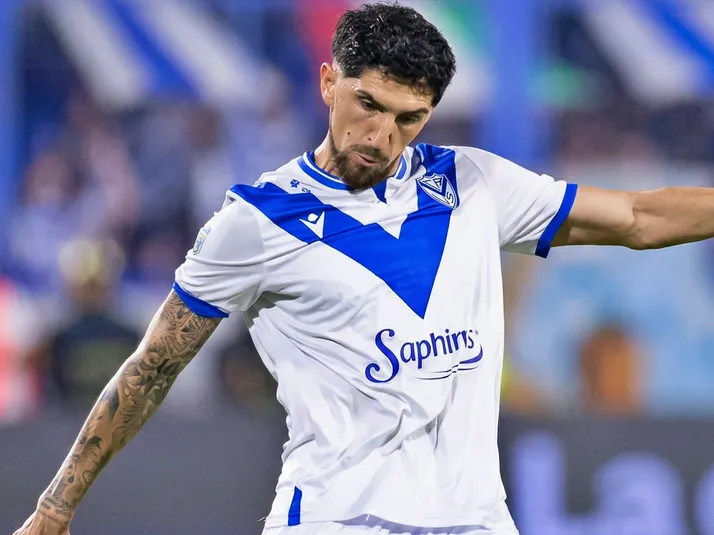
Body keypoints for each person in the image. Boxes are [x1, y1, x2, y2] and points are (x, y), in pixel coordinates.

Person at [13, 4, 714, 535]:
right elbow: (152, 368)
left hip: (475, 520)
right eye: (368, 105)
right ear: (329, 83)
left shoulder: (473, 184)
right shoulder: (256, 222)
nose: (381, 136)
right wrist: (55, 507)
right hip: (336, 518)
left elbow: (637, 217)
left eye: (409, 118)